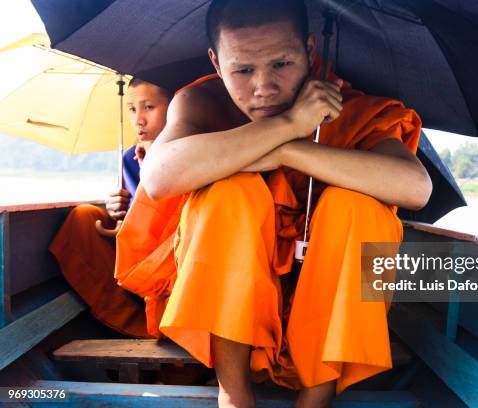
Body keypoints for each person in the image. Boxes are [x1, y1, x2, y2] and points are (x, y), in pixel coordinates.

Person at [116, 0, 432, 406]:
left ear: (311, 52)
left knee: (358, 208)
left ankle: (316, 395)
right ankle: (232, 391)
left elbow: (414, 187)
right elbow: (160, 178)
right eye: (243, 70)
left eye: (281, 64)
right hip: (223, 299)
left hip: (320, 302)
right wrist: (287, 126)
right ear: (215, 61)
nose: (263, 87)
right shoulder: (203, 102)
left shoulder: (349, 107)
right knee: (231, 193)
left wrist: (288, 151)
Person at [49, 78, 172, 337]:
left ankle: (165, 325)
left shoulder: (188, 150)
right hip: (135, 255)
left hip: (173, 255)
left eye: (148, 107)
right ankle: (135, 324)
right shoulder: (129, 158)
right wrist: (118, 209)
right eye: (131, 109)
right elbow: (128, 221)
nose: (138, 119)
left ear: (175, 107)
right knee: (84, 217)